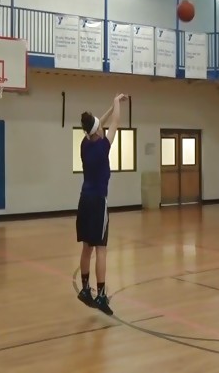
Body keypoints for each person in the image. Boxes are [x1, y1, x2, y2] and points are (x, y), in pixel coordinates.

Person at [76, 93, 127, 315]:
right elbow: (115, 121)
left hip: (84, 200)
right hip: (98, 202)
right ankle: (102, 295)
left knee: (86, 248)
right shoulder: (103, 146)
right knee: (101, 250)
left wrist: (110, 107)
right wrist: (116, 102)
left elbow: (99, 123)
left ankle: (85, 289)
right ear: (98, 131)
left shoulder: (84, 144)